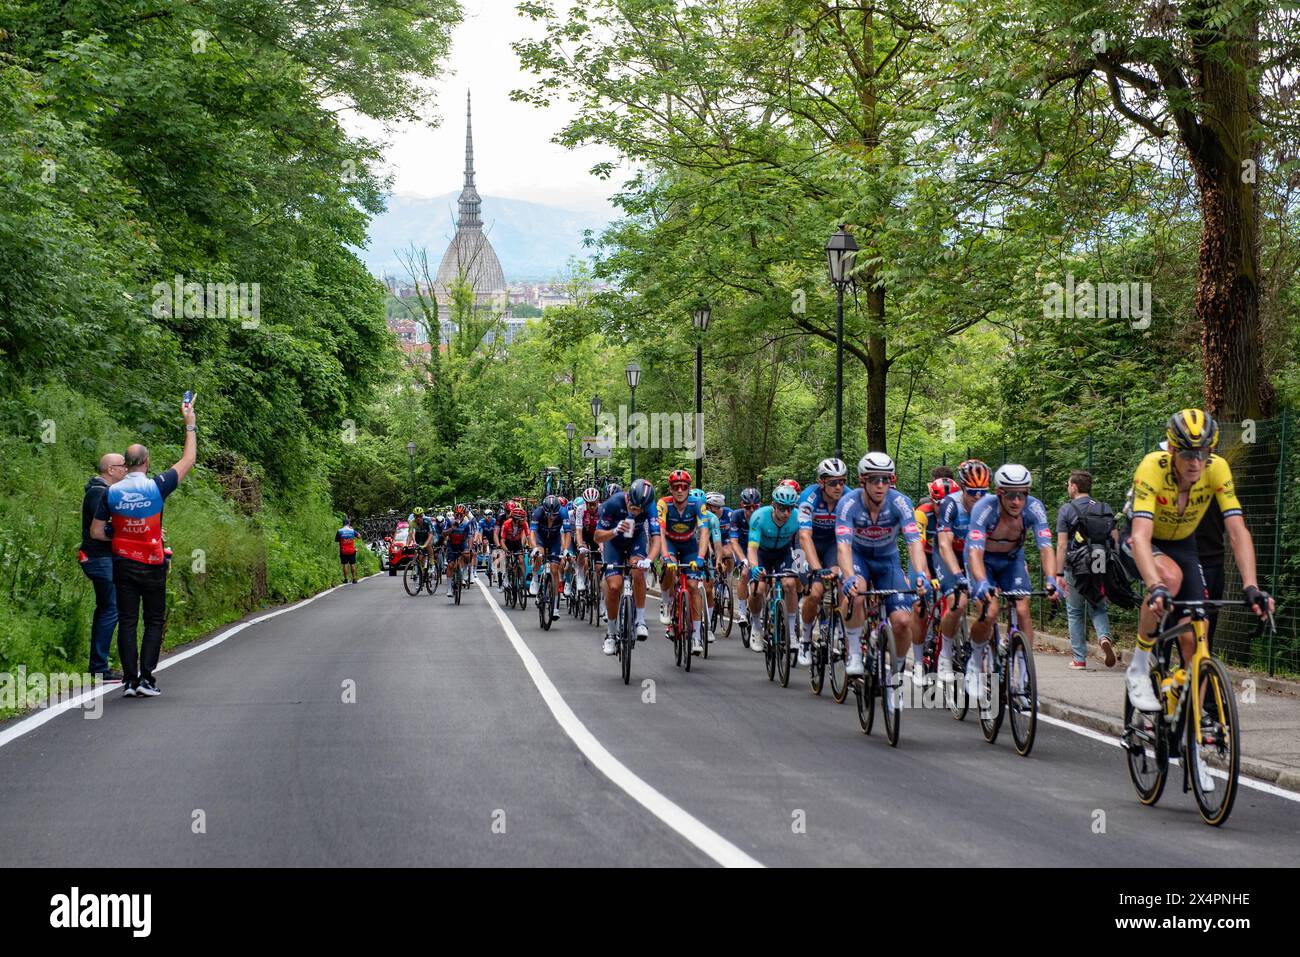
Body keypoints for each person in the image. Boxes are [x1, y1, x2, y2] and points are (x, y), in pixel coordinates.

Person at [1124, 410, 1273, 735]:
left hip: (1184, 545)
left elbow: (1237, 530)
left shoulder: (1217, 468)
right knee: (1171, 578)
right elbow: (1141, 536)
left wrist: (1251, 586)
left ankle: (1192, 737)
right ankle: (1137, 666)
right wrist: (1155, 585)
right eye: (1190, 454)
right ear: (1173, 451)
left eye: (1204, 454)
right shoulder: (1153, 466)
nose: (1196, 462)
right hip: (1145, 539)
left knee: (1197, 635)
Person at [90, 396, 198, 697]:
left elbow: (97, 532)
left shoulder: (109, 492)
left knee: (127, 620)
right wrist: (190, 423)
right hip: (152, 562)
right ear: (147, 463)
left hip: (122, 563)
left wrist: (122, 533)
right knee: (152, 620)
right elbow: (188, 460)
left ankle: (129, 681)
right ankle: (147, 679)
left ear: (125, 464)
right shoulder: (157, 486)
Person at [963, 463, 1059, 703]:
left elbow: (1045, 547)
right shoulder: (984, 509)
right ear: (999, 493)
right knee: (990, 610)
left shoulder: (1035, 508)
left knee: (1023, 609)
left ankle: (1025, 679)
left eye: (1022, 494)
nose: (1017, 501)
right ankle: (974, 662)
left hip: (1012, 560)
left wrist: (1051, 578)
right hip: (982, 560)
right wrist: (982, 582)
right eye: (1011, 495)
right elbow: (974, 551)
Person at [1054, 470, 1117, 669]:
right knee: (1097, 605)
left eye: (1068, 484)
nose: (1067, 487)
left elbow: (1062, 544)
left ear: (1074, 486)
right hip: (1100, 563)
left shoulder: (1066, 509)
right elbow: (1114, 539)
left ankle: (1079, 659)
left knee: (1074, 611)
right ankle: (1104, 637)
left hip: (1076, 565)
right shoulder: (1103, 507)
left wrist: (1058, 573)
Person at [595, 479, 661, 655]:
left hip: (636, 541)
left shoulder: (650, 506)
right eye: (634, 507)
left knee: (638, 571)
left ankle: (640, 620)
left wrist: (650, 559)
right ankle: (610, 633)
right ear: (628, 497)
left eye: (641, 509)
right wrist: (614, 531)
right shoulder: (612, 504)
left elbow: (656, 538)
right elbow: (597, 537)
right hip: (613, 543)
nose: (637, 511)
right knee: (614, 586)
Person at [80, 452, 127, 682]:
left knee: (106, 608)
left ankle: (99, 664)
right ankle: (99, 667)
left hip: (100, 558)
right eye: (122, 466)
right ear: (110, 469)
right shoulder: (99, 493)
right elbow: (102, 531)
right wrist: (130, 533)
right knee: (111, 608)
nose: (126, 470)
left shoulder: (100, 491)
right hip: (99, 557)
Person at [797, 457, 848, 667]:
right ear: (822, 482)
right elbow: (804, 537)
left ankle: (845, 634)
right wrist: (817, 569)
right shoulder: (808, 498)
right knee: (816, 592)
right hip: (808, 543)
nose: (838, 487)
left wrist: (843, 565)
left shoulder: (848, 497)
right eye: (833, 482)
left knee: (847, 585)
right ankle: (806, 639)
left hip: (833, 544)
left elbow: (849, 536)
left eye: (842, 482)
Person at [336, 516, 359, 584]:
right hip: (351, 550)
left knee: (345, 564)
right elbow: (359, 536)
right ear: (349, 523)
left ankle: (346, 579)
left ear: (343, 523)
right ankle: (354, 579)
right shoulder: (352, 531)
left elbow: (337, 540)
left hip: (343, 550)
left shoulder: (339, 531)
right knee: (352, 564)